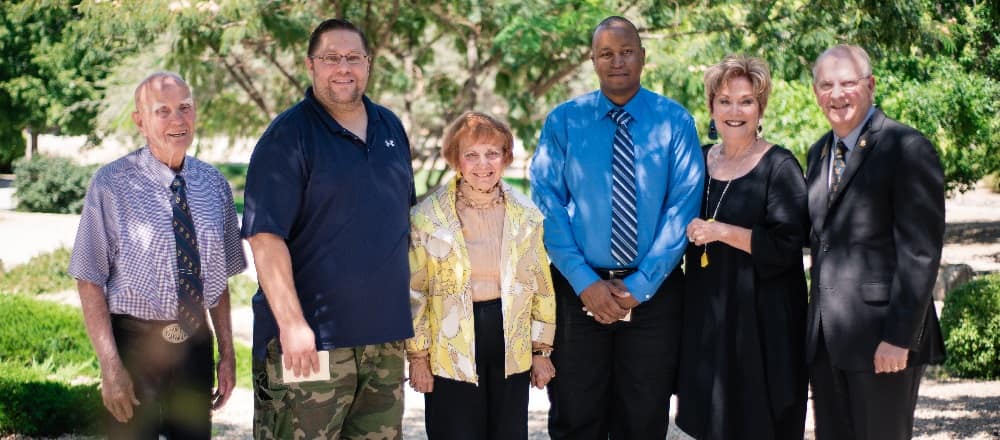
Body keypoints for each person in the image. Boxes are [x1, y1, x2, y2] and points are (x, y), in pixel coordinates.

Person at [529, 15, 704, 439]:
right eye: (606, 53)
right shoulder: (565, 121)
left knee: (643, 418)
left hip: (655, 298)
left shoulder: (674, 122)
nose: (617, 61)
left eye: (627, 51)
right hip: (576, 294)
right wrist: (583, 279)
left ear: (643, 57)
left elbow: (682, 206)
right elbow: (546, 202)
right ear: (593, 61)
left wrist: (640, 285)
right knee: (575, 414)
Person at [242, 18, 415, 439]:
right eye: (331, 58)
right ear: (310, 65)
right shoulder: (287, 137)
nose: (343, 67)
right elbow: (266, 238)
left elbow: (400, 225)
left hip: (384, 344)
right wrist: (292, 324)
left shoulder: (390, 127)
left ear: (369, 64)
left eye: (353, 57)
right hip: (313, 341)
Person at [69, 72, 246, 439]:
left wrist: (227, 354)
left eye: (184, 108)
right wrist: (110, 367)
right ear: (140, 121)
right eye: (162, 111)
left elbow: (218, 282)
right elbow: (89, 279)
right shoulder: (112, 185)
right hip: (134, 346)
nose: (177, 120)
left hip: (195, 344)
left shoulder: (214, 185)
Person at [805, 44, 946, 440]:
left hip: (883, 341)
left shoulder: (907, 148)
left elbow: (920, 251)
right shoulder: (818, 153)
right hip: (828, 342)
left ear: (870, 85)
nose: (837, 94)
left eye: (848, 83)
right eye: (827, 85)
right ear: (815, 92)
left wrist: (899, 338)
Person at [674, 55, 808, 440]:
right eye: (725, 101)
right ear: (711, 107)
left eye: (746, 101)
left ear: (760, 108)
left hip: (764, 326)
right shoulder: (697, 160)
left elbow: (787, 246)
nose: (735, 111)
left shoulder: (780, 166)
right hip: (707, 322)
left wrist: (721, 232)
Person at [406, 111, 557, 439]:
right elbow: (414, 292)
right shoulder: (426, 219)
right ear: (455, 160)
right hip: (451, 344)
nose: (483, 164)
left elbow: (541, 286)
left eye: (492, 154)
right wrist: (418, 357)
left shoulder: (527, 216)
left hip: (509, 342)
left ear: (505, 157)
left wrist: (541, 351)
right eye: (471, 155)